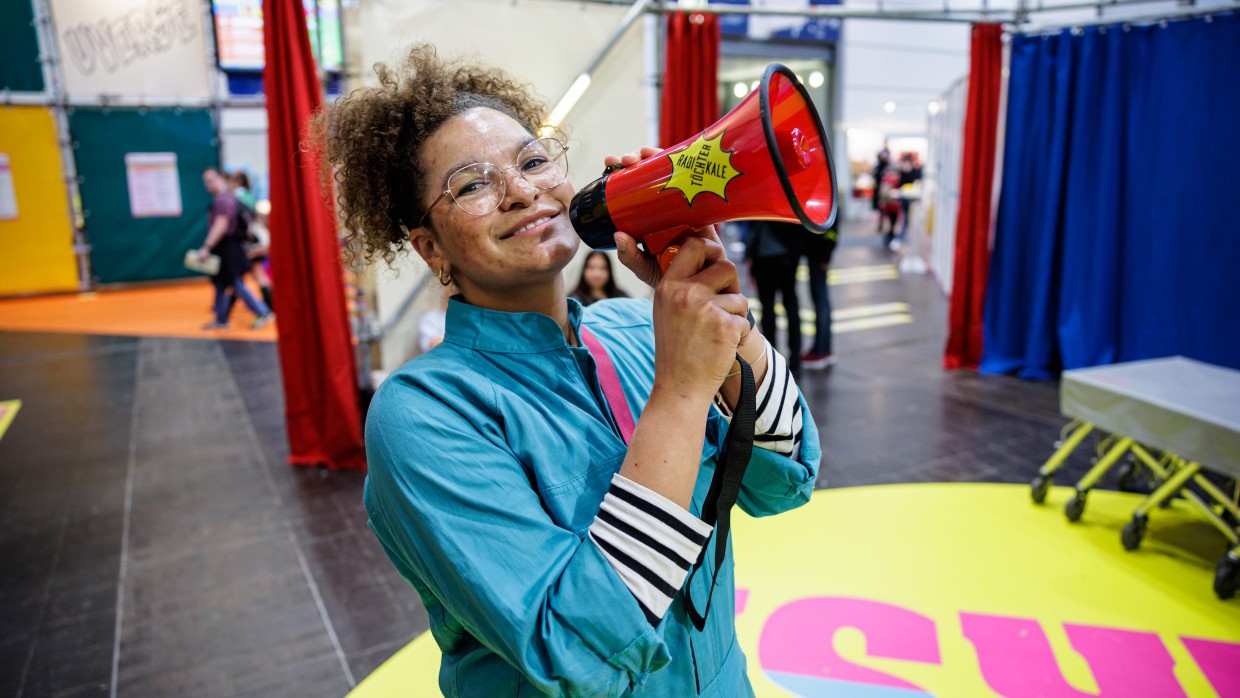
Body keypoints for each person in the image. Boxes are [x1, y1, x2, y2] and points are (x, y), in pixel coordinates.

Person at [316, 44, 819, 696]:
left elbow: (785, 478)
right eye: (472, 185)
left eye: (532, 160)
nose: (524, 190)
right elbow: (576, 657)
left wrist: (725, 321)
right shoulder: (420, 413)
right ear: (431, 249)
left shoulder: (640, 328)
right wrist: (681, 390)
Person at [197, 168, 272, 330]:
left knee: (235, 282)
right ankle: (221, 318)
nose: (208, 184)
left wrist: (207, 246)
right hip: (228, 246)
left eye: (211, 179)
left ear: (221, 179)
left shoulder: (224, 200)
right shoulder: (227, 198)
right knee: (221, 283)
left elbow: (221, 224)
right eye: (206, 181)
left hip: (229, 247)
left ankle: (262, 311)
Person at [745, 220, 805, 379]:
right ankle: (795, 359)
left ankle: (772, 359)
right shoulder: (788, 199)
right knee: (790, 306)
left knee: (769, 308)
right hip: (787, 254)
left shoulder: (761, 198)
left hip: (765, 256)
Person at [228, 171, 275, 311]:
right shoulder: (248, 196)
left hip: (249, 243)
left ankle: (226, 308)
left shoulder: (238, 197)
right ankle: (270, 305)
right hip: (255, 240)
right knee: (255, 274)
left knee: (240, 277)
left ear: (237, 182)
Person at [801, 227, 838, 369]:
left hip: (818, 251)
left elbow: (832, 228)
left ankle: (820, 350)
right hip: (819, 250)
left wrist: (825, 254)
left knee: (821, 300)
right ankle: (824, 348)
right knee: (822, 300)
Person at [896, 152, 923, 243]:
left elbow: (918, 184)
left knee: (912, 219)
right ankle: (902, 237)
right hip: (905, 200)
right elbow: (900, 186)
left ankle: (909, 238)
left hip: (914, 200)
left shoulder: (916, 172)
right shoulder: (902, 173)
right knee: (905, 219)